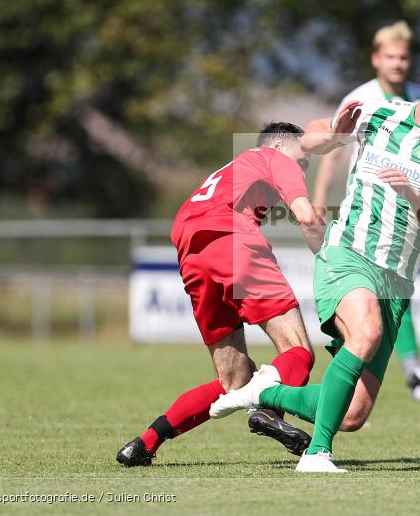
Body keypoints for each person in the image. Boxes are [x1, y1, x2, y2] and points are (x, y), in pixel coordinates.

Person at [210, 51, 420, 472]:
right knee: (366, 331)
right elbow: (311, 139)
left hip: (396, 278)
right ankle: (317, 454)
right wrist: (335, 134)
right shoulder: (379, 112)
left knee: (353, 414)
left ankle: (260, 393)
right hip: (348, 252)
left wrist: (413, 196)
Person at [116, 123, 326, 466]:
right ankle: (267, 412)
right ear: (277, 144)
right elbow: (306, 216)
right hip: (231, 240)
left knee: (233, 380)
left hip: (191, 252)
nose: (302, 169)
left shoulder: (235, 168)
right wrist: (331, 257)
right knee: (298, 349)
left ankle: (144, 443)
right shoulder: (276, 157)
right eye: (302, 159)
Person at [312, 20, 420, 402]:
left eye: (403, 57)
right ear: (376, 59)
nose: (398, 63)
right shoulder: (362, 98)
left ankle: (405, 373)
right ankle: (411, 373)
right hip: (368, 215)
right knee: (377, 295)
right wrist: (318, 200)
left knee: (396, 294)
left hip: (408, 215)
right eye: (390, 56)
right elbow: (333, 150)